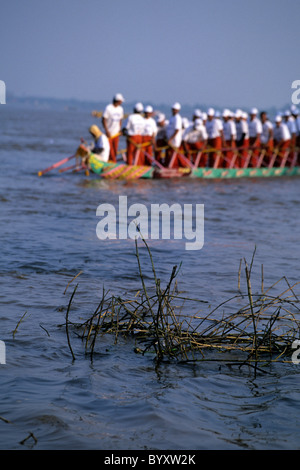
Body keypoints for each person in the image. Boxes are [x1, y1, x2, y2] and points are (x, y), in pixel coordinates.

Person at [101, 93, 125, 162]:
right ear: (118, 101)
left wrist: (120, 129)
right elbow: (103, 119)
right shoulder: (108, 108)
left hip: (116, 134)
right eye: (121, 101)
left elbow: (120, 119)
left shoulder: (120, 109)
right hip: (109, 134)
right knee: (109, 150)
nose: (122, 102)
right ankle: (111, 162)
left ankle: (112, 162)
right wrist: (107, 131)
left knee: (114, 150)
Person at [165, 102, 183, 167]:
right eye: (173, 109)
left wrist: (170, 139)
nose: (174, 111)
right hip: (170, 140)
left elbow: (177, 130)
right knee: (169, 155)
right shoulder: (172, 117)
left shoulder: (177, 118)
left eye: (175, 109)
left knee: (174, 155)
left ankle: (173, 168)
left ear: (178, 110)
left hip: (174, 141)